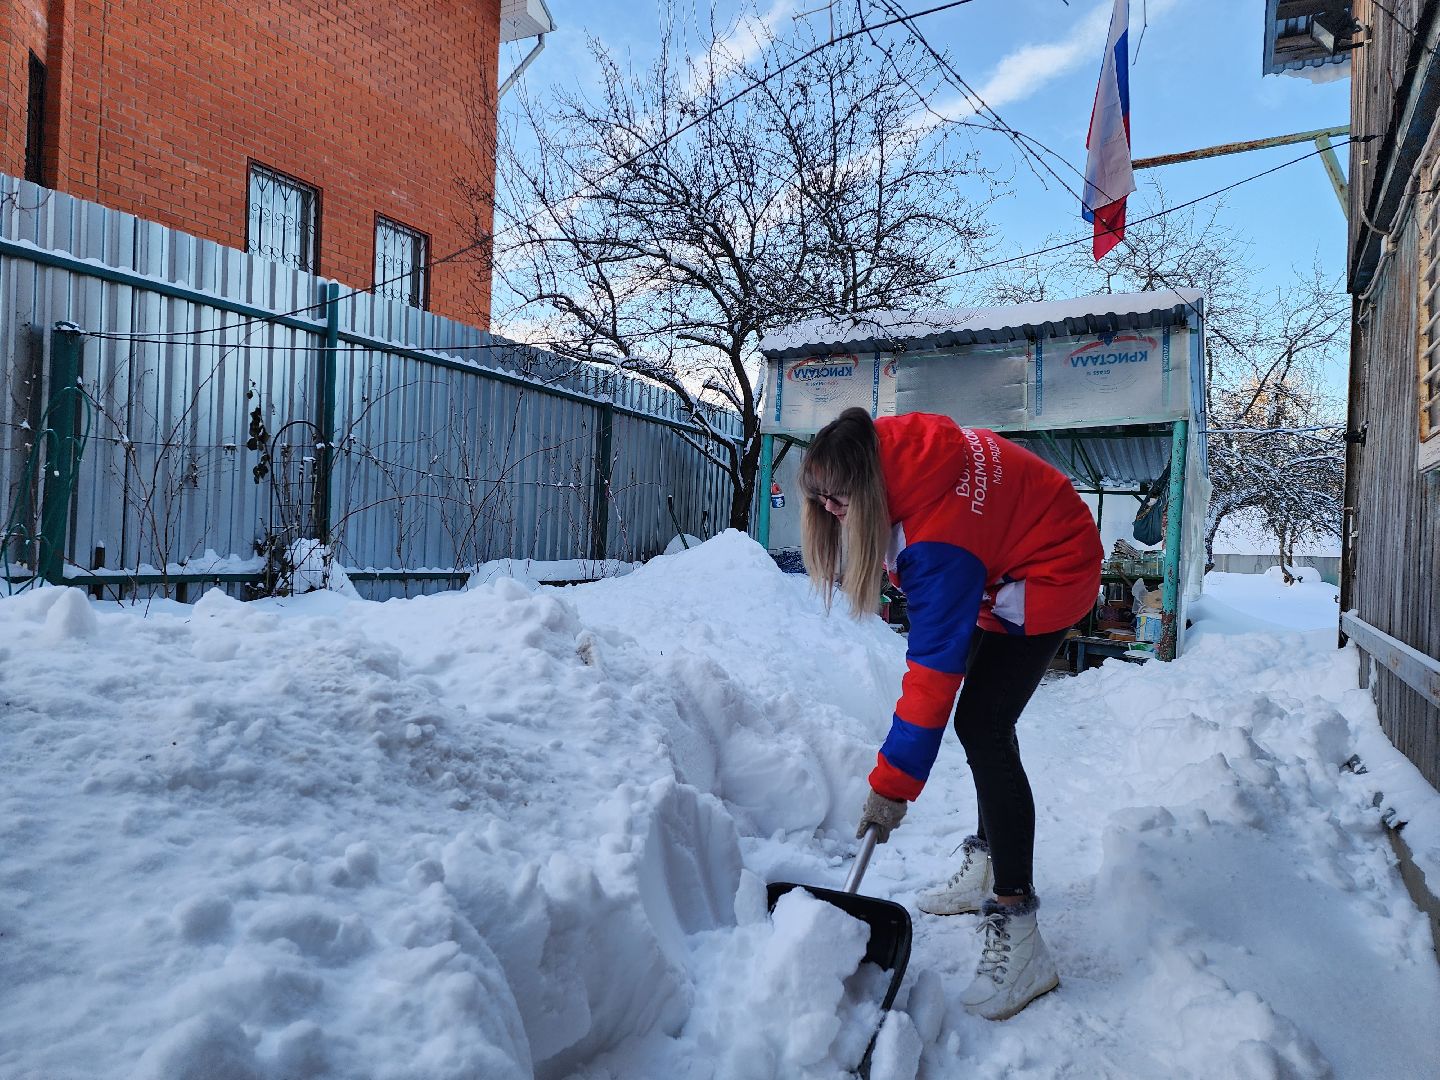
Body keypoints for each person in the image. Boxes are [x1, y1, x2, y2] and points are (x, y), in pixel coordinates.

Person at [798, 407, 1102, 1021]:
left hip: (1051, 567)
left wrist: (891, 787)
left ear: (870, 481)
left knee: (982, 724)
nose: (830, 510)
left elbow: (934, 673)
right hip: (1006, 554)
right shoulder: (896, 453)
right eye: (819, 498)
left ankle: (1019, 930)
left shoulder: (936, 542)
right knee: (980, 722)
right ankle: (990, 861)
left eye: (840, 498)